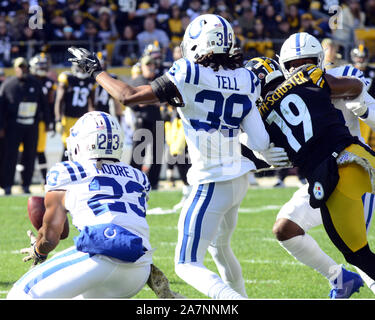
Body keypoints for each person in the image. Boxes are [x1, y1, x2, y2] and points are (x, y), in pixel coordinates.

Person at [67, 14, 288, 299]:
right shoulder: (245, 78)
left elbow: (128, 95)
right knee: (220, 250)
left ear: (196, 44)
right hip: (239, 179)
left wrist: (96, 71)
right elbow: (259, 141)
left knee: (186, 264)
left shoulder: (189, 74)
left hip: (211, 180)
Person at [7, 111, 181, 299]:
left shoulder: (67, 171)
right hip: (139, 269)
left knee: (21, 293)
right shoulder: (138, 177)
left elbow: (51, 237)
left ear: (83, 142)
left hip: (99, 257)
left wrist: (38, 251)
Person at [246, 45, 375, 298]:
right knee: (288, 227)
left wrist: (262, 155)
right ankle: (340, 279)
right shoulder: (308, 75)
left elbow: (251, 148)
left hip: (331, 182)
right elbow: (356, 85)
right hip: (358, 156)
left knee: (359, 255)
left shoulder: (260, 116)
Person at [0, 57, 51, 195]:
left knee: (30, 156)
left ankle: (26, 184)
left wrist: (47, 122)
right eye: (20, 67)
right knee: (10, 156)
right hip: (13, 126)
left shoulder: (36, 84)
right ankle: (7, 185)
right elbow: (1, 107)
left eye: (25, 67)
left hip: (31, 126)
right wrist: (1, 127)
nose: (23, 70)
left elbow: (44, 105)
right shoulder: (8, 85)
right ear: (15, 68)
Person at [19, 53, 56, 185]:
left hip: (40, 120)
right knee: (23, 150)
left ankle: (45, 180)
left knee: (40, 150)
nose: (42, 67)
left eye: (44, 65)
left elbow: (51, 104)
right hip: (25, 119)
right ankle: (21, 179)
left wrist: (50, 121)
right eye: (39, 64)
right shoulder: (26, 80)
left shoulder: (50, 83)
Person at [54, 63, 95, 161]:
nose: (82, 70)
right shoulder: (68, 78)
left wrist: (93, 118)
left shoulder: (91, 81)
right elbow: (59, 100)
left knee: (83, 147)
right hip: (68, 118)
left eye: (84, 68)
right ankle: (64, 170)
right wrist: (58, 120)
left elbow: (92, 103)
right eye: (80, 67)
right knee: (68, 147)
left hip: (83, 120)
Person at [350, 44, 375, 149]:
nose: (360, 60)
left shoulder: (372, 71)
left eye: (363, 57)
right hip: (354, 110)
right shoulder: (349, 70)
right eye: (358, 57)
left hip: (371, 108)